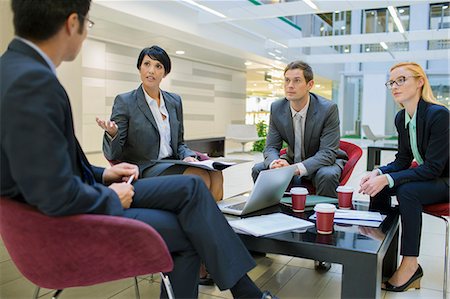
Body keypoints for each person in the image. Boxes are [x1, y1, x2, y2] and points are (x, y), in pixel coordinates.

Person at [0, 1, 277, 298]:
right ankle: (248, 293)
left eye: (158, 66)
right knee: (190, 228)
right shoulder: (33, 82)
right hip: (67, 223)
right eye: (88, 25)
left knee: (192, 191)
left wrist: (105, 173)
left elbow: (53, 168)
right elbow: (51, 193)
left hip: (79, 198)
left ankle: (247, 293)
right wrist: (109, 196)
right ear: (72, 23)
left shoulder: (17, 70)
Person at [359, 62, 449, 292]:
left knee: (407, 192)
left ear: (420, 82)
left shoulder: (439, 115)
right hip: (431, 176)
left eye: (402, 80)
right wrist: (377, 173)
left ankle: (410, 265)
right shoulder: (402, 118)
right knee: (378, 186)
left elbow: (433, 169)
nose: (395, 86)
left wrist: (389, 179)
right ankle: (382, 254)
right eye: (391, 82)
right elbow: (402, 160)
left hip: (445, 180)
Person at [96, 46, 223, 202]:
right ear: (139, 68)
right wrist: (113, 134)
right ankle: (200, 221)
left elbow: (180, 143)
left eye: (158, 66)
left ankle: (213, 219)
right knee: (199, 176)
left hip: (172, 161)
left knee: (216, 173)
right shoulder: (125, 101)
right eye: (147, 64)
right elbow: (113, 154)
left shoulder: (174, 101)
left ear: (165, 73)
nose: (151, 70)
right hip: (145, 166)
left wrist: (188, 156)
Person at [252, 60, 347, 198]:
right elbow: (271, 147)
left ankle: (322, 217)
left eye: (297, 81)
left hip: (321, 162)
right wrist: (275, 163)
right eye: (287, 80)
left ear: (310, 85)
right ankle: (271, 213)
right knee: (259, 169)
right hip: (291, 159)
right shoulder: (277, 108)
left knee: (327, 175)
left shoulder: (327, 109)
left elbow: (327, 152)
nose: (290, 86)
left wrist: (295, 169)